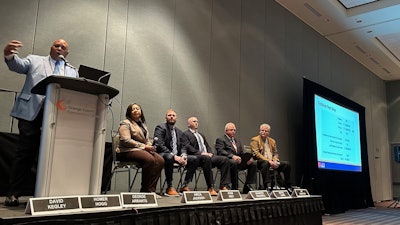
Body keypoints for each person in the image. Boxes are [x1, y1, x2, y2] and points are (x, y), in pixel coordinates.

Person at [3, 39, 78, 207]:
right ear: (51, 47)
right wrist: (9, 55)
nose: (59, 48)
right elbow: (18, 65)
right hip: (31, 113)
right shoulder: (35, 60)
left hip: (57, 117)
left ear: (67, 53)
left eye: (63, 47)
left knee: (54, 155)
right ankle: (13, 193)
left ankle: (50, 193)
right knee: (25, 153)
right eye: (56, 45)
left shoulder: (72, 71)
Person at [117, 103, 165, 193]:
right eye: (133, 109)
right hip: (126, 150)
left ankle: (151, 190)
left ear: (141, 111)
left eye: (137, 109)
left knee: (160, 160)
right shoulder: (125, 123)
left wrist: (150, 146)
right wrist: (144, 146)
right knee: (150, 159)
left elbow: (146, 140)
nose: (135, 110)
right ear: (129, 112)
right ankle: (145, 190)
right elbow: (126, 140)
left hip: (140, 150)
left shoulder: (142, 124)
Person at [181, 117, 231, 196]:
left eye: (197, 121)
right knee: (206, 158)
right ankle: (210, 187)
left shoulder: (201, 135)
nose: (196, 123)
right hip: (196, 157)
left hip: (206, 156)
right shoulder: (185, 134)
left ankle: (223, 185)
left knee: (225, 159)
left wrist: (210, 153)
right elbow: (187, 147)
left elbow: (207, 146)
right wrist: (201, 153)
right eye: (194, 121)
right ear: (189, 124)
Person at [154, 109, 197, 196]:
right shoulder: (160, 128)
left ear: (176, 118)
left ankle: (185, 185)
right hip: (162, 155)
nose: (171, 117)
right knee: (169, 157)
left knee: (194, 159)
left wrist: (183, 155)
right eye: (169, 115)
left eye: (173, 115)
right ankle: (169, 187)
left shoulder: (179, 132)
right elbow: (159, 145)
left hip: (176, 156)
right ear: (166, 117)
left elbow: (183, 146)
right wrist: (173, 156)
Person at [215, 122, 258, 194]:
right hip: (227, 161)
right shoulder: (220, 139)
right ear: (226, 131)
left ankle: (247, 185)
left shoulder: (237, 141)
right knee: (233, 162)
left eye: (234, 130)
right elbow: (220, 151)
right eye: (231, 130)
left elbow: (241, 153)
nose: (233, 131)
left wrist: (247, 159)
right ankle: (234, 187)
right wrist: (232, 156)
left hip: (239, 161)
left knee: (253, 163)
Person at [250, 123, 291, 190]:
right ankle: (267, 185)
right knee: (265, 164)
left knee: (287, 164)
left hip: (272, 161)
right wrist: (269, 161)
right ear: (259, 131)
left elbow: (275, 153)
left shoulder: (272, 141)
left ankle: (288, 186)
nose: (263, 132)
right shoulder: (255, 140)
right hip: (260, 162)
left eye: (265, 131)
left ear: (268, 133)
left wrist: (275, 160)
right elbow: (256, 154)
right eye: (262, 130)